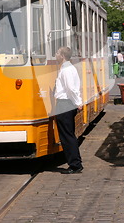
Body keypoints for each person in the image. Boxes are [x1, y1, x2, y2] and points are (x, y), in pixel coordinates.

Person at [54, 46, 83, 174]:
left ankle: (75, 165)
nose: (55, 55)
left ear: (62, 56)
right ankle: (75, 162)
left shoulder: (66, 69)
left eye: (57, 53)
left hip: (65, 104)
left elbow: (71, 88)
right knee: (68, 134)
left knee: (67, 135)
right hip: (66, 104)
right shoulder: (68, 68)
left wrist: (78, 103)